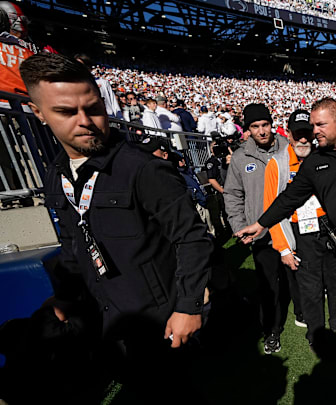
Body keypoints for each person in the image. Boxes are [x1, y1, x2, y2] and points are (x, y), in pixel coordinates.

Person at [20, 52, 212, 400]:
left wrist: (188, 306)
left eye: (93, 108)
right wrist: (65, 296)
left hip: (158, 322)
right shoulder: (54, 176)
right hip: (105, 321)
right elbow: (71, 243)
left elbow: (193, 237)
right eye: (66, 112)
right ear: (38, 113)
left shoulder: (143, 169)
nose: (86, 121)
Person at [237, 97, 336, 365]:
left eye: (314, 128)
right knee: (332, 293)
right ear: (288, 134)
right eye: (304, 130)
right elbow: (284, 200)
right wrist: (269, 233)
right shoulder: (297, 163)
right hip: (325, 238)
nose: (308, 135)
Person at [262, 109, 336, 347]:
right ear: (289, 134)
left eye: (307, 133)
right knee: (310, 286)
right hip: (299, 230)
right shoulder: (277, 164)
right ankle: (316, 332)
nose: (303, 139)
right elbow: (272, 207)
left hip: (331, 228)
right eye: (298, 133)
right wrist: (283, 248)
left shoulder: (325, 156)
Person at [224, 103, 291, 354]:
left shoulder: (288, 147)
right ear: (247, 129)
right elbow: (232, 194)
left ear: (271, 124)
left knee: (295, 279)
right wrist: (239, 226)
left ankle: (307, 318)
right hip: (260, 232)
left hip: (290, 229)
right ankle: (271, 330)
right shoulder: (240, 157)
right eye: (255, 126)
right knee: (268, 284)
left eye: (265, 125)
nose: (262, 131)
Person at [74, 53, 123, 120]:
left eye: (83, 65)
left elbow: (113, 102)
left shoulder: (103, 82)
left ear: (89, 67)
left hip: (109, 119)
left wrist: (120, 119)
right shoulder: (73, 84)